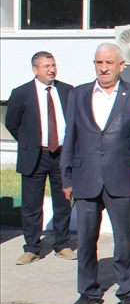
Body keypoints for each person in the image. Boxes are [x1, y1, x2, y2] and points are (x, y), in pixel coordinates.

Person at [60, 44, 130, 304]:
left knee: (126, 239)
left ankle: (129, 291)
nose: (104, 68)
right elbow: (70, 136)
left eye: (109, 62)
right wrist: (67, 178)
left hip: (122, 178)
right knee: (86, 240)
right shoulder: (78, 94)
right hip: (86, 177)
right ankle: (88, 292)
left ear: (121, 65)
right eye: (99, 62)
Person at [5, 51, 74, 265]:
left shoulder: (67, 91)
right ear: (35, 70)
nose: (51, 70)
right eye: (46, 66)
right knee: (32, 204)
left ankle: (62, 244)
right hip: (35, 155)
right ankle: (32, 248)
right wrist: (29, 143)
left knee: (63, 201)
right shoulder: (21, 93)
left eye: (53, 65)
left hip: (61, 155)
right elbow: (12, 123)